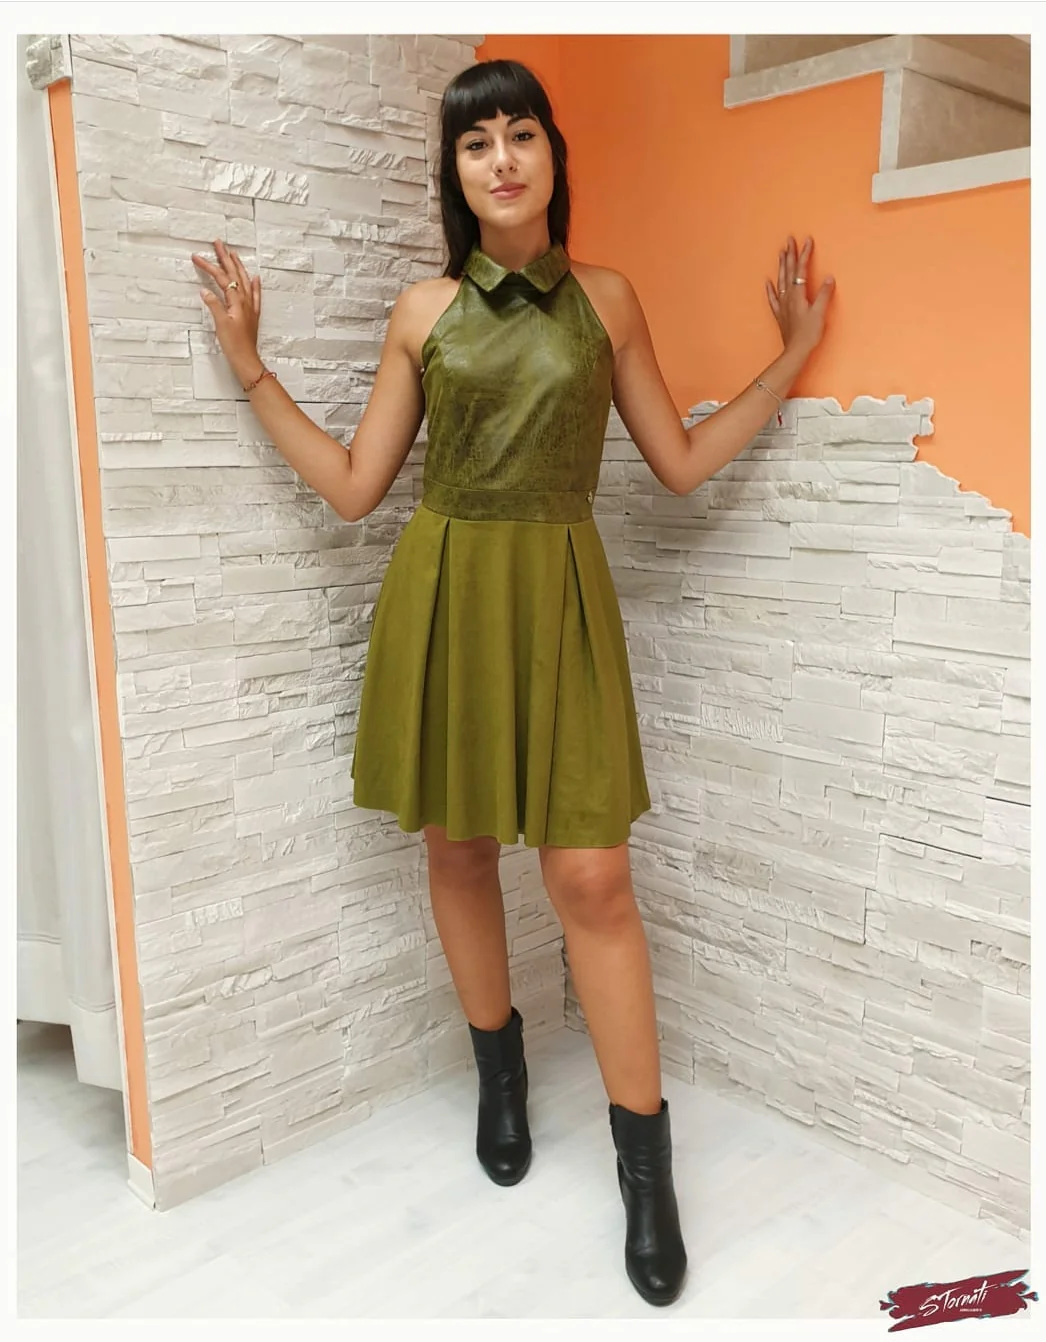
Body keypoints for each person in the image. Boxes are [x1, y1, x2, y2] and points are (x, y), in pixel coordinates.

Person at [193, 57, 834, 1309]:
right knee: (458, 846)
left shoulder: (607, 299)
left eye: (519, 133)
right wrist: (251, 366)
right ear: (454, 172)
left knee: (591, 877)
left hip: (560, 595)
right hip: (445, 593)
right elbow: (355, 487)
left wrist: (789, 359)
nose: (500, 158)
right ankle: (498, 1070)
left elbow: (677, 463)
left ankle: (644, 1168)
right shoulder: (421, 310)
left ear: (551, 155)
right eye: (475, 141)